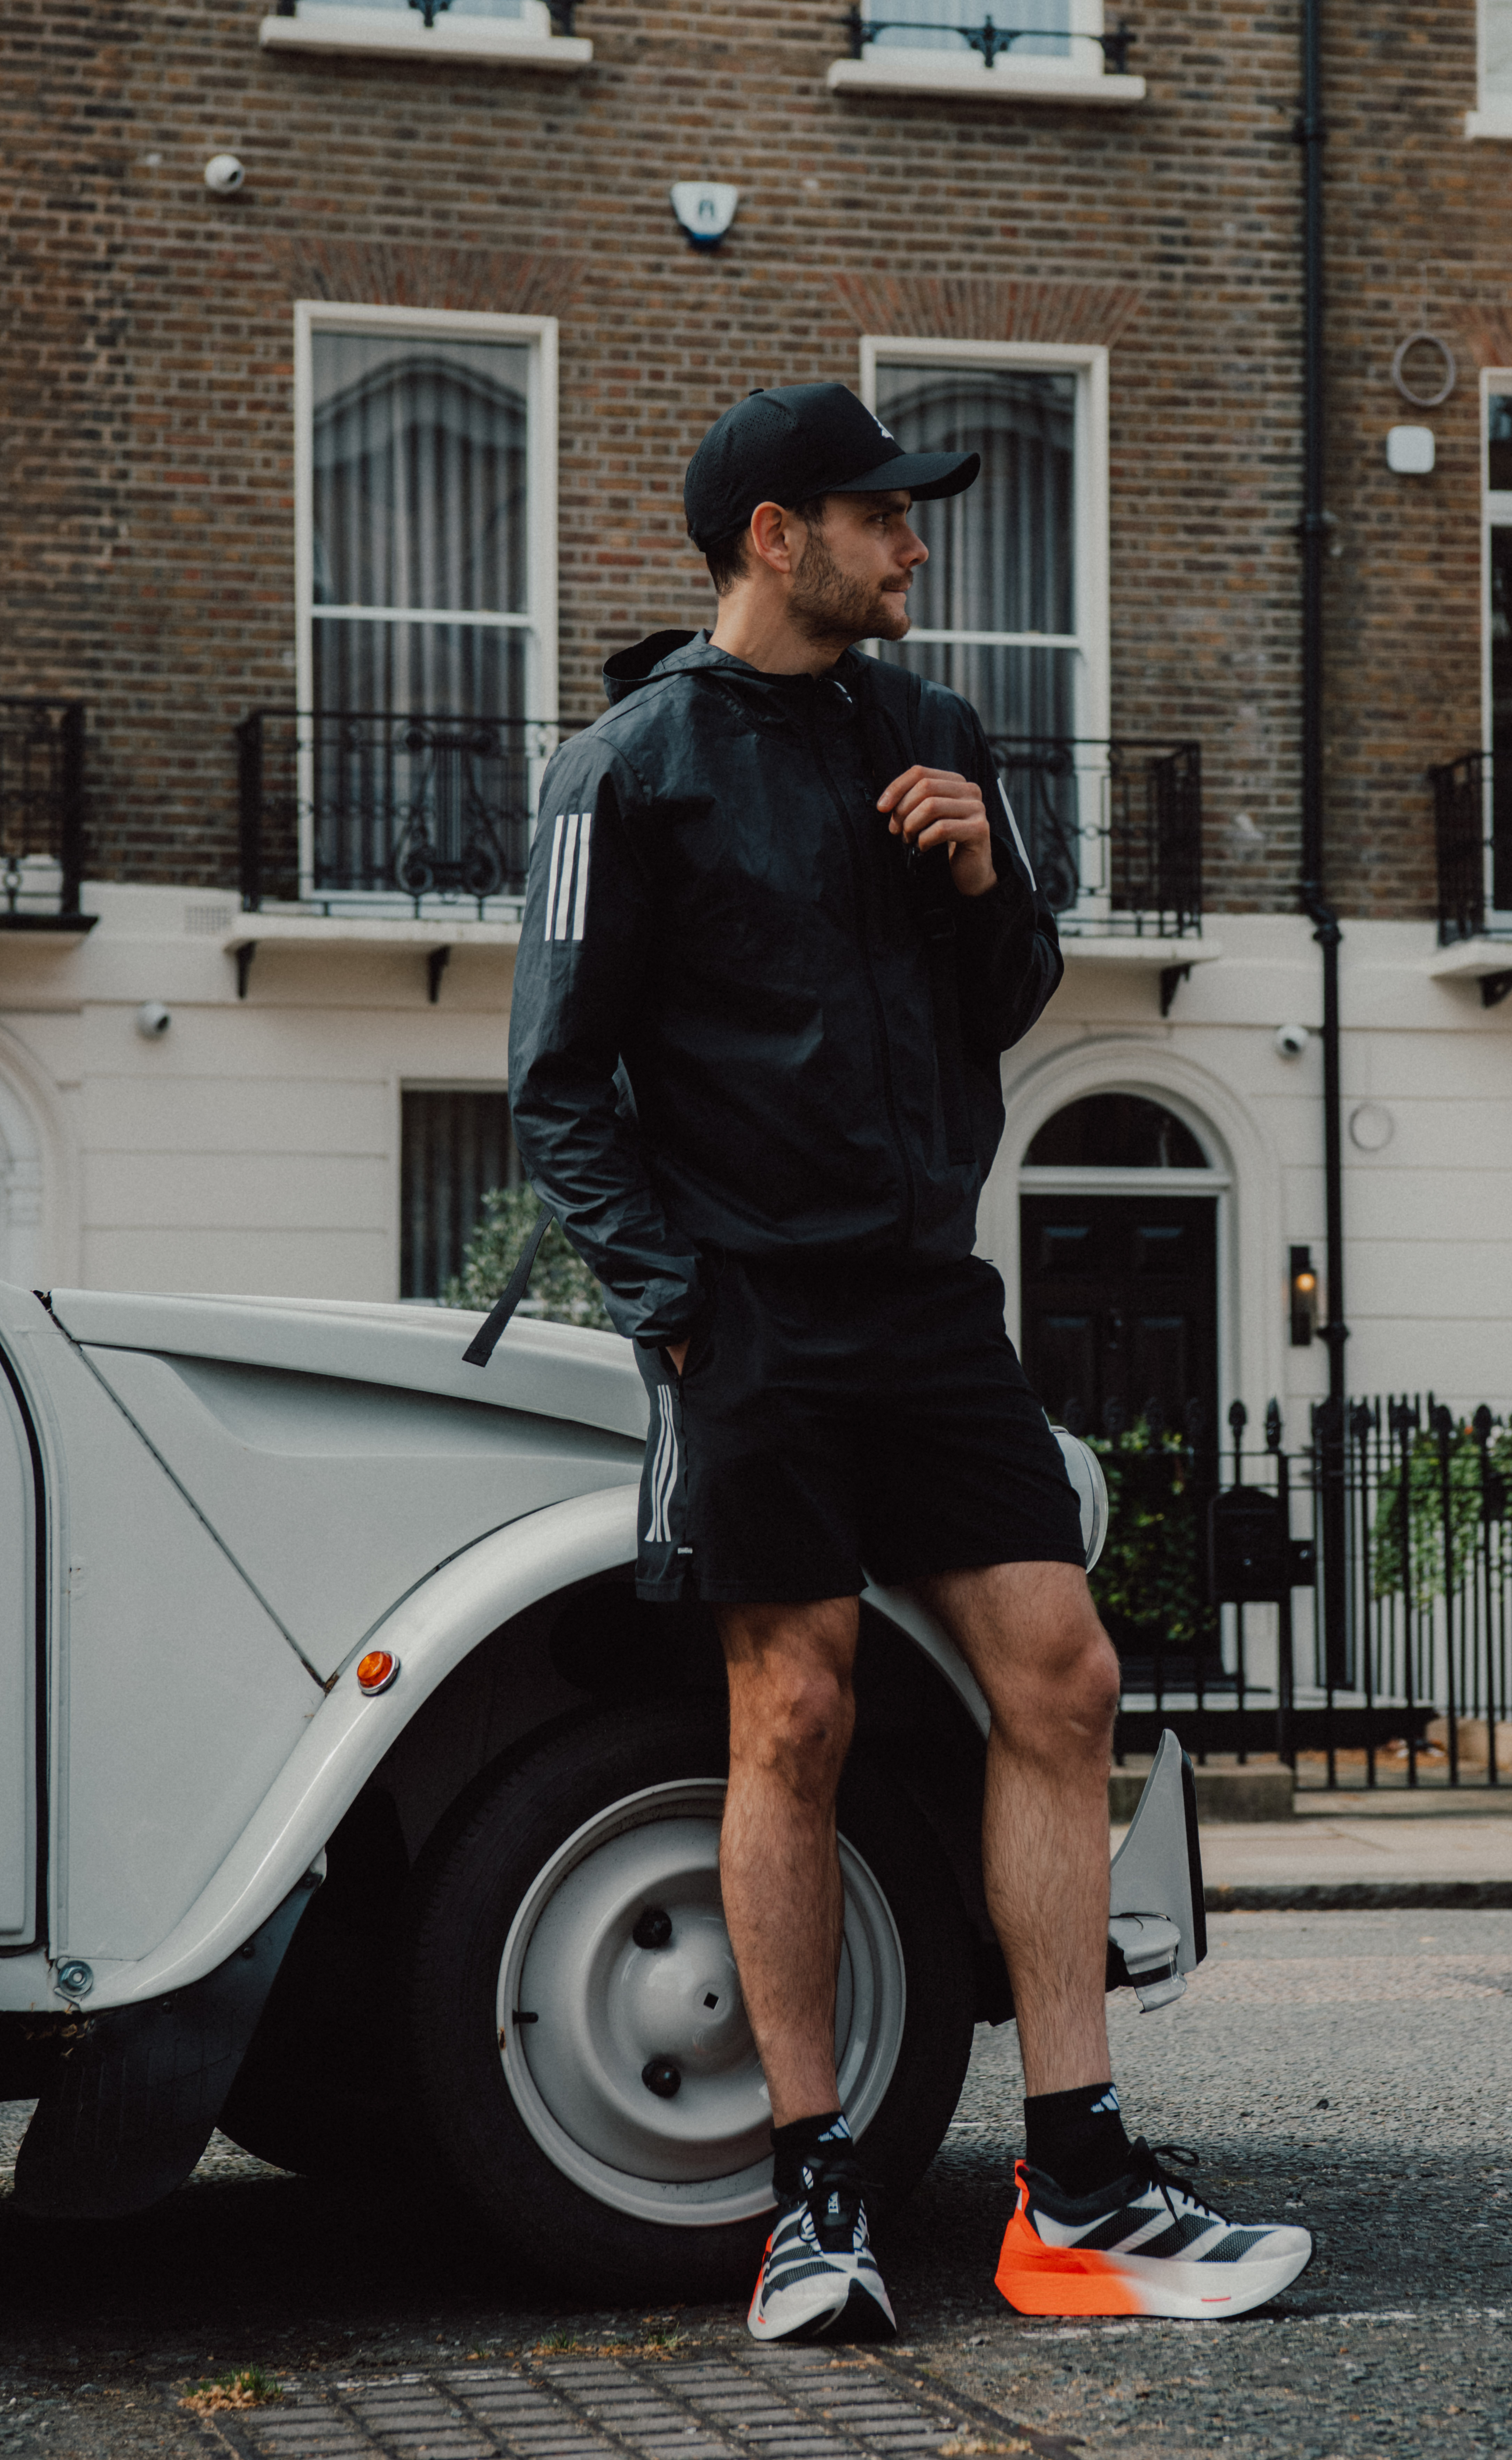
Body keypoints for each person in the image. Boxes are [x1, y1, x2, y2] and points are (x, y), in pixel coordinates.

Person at [508, 382, 1312, 2340]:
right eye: (884, 516)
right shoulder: (620, 773)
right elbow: (556, 1085)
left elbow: (1012, 996)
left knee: (1067, 1668)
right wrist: (677, 1303)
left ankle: (1078, 2180)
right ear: (777, 536)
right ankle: (813, 2203)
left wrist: (982, 874)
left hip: (931, 1301)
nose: (917, 546)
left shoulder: (935, 738)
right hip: (755, 1313)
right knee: (796, 1707)